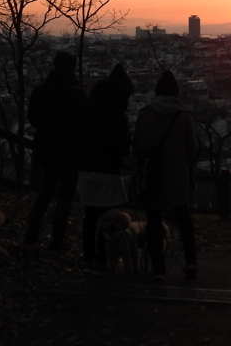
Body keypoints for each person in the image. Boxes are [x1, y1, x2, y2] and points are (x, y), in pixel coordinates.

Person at [132, 70, 199, 281]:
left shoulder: (144, 114)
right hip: (178, 174)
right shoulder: (183, 116)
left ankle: (159, 269)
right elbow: (192, 150)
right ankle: (191, 263)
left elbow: (138, 147)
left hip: (153, 175)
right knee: (183, 219)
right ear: (176, 93)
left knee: (153, 222)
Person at [24, 51, 85, 251]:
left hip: (46, 148)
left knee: (44, 192)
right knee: (64, 198)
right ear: (71, 68)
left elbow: (33, 119)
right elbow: (83, 123)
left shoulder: (40, 91)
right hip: (69, 151)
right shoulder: (76, 94)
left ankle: (31, 235)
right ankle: (57, 240)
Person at [77, 64, 134, 272]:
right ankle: (102, 260)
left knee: (90, 217)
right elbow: (121, 147)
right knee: (107, 217)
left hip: (86, 168)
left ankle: (88, 258)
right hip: (108, 170)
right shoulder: (116, 113)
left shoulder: (88, 105)